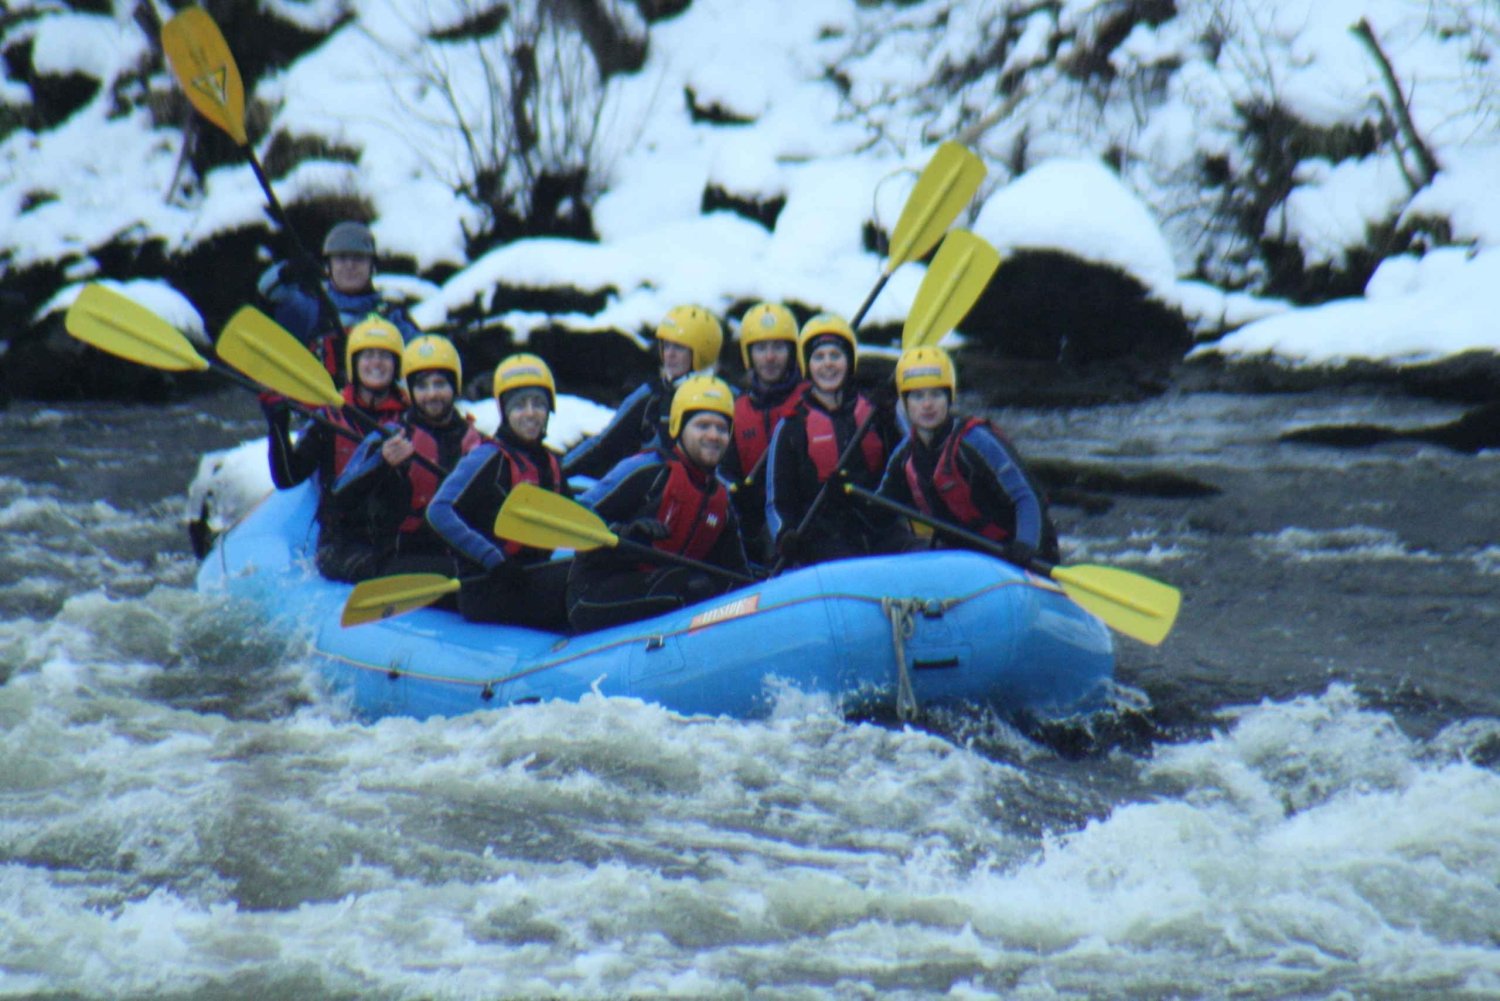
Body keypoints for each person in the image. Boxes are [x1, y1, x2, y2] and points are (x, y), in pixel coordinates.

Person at [565, 375, 751, 633]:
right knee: (692, 586)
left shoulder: (719, 500)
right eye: (702, 426)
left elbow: (736, 573)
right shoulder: (647, 470)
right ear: (678, 427)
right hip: (592, 594)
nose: (713, 435)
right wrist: (625, 533)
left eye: (721, 428)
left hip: (662, 585)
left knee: (706, 585)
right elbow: (576, 516)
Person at [426, 354, 571, 630]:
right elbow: (438, 511)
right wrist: (493, 560)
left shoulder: (550, 462)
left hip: (530, 575)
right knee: (577, 588)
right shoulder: (486, 457)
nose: (530, 413)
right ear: (504, 412)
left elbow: (574, 514)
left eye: (538, 403)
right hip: (487, 587)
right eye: (519, 405)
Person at [877, 345, 1059, 563]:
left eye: (936, 394)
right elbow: (879, 510)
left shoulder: (976, 441)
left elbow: (1027, 497)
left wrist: (1025, 544)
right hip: (965, 560)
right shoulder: (905, 455)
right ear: (905, 403)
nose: (927, 405)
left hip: (1017, 553)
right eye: (917, 396)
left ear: (949, 398)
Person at [260, 316, 408, 582]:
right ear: (354, 364)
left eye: (385, 356)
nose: (376, 363)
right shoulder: (329, 419)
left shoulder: (410, 418)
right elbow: (287, 477)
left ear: (397, 366)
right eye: (368, 356)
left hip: (395, 538)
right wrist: (277, 423)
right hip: (341, 542)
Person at [332, 335, 485, 579]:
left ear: (455, 387)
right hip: (399, 554)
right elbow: (340, 500)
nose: (432, 394)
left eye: (440, 384)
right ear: (410, 392)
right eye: (422, 386)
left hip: (454, 550)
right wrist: (381, 463)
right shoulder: (388, 436)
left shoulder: (478, 442)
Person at [764, 313, 903, 567]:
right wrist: (784, 534)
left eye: (835, 356)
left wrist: (894, 424)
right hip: (823, 537)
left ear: (849, 361)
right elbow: (776, 503)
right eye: (819, 357)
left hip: (878, 529)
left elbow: (906, 468)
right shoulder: (791, 426)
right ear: (808, 365)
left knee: (912, 547)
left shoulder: (875, 412)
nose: (828, 364)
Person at [561, 304, 723, 481]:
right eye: (666, 346)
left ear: (702, 353)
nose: (669, 354)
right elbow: (604, 444)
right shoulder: (651, 395)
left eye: (679, 347)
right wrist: (558, 472)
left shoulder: (727, 400)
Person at [256, 220, 420, 381]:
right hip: (316, 397)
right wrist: (287, 271)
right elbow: (268, 293)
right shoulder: (310, 308)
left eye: (358, 258)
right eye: (341, 258)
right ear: (328, 265)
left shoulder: (391, 316)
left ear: (372, 266)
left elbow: (421, 357)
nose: (350, 265)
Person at [719, 302, 808, 565]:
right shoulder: (737, 410)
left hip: (804, 517)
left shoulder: (811, 400)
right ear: (749, 355)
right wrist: (735, 490)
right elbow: (721, 470)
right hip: (754, 522)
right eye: (761, 348)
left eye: (778, 347)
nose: (769, 357)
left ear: (792, 352)